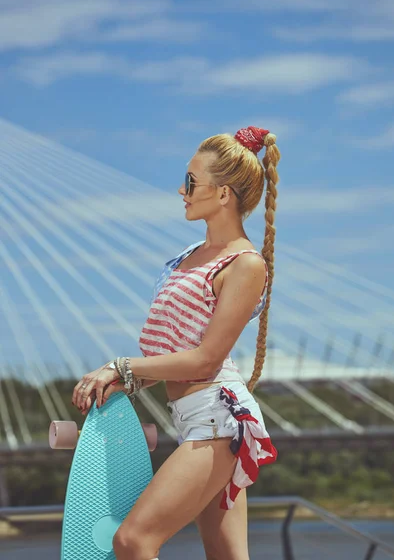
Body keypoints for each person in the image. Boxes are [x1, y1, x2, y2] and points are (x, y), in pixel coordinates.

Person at [72, 126, 281, 560]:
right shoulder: (187, 256)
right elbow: (172, 351)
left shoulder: (245, 264)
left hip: (218, 421)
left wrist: (121, 366)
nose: (180, 191)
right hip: (192, 420)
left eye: (190, 182)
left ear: (223, 194)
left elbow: (205, 360)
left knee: (132, 541)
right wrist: (128, 382)